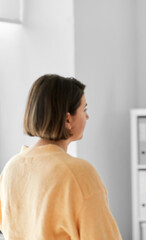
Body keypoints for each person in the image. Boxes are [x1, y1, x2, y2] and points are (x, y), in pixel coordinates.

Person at [0, 74, 122, 240]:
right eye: (84, 109)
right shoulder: (78, 173)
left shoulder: (11, 169)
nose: (87, 116)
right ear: (67, 119)